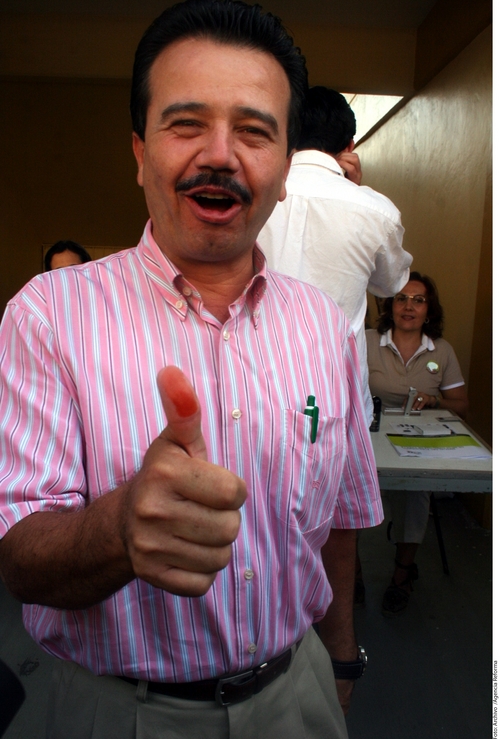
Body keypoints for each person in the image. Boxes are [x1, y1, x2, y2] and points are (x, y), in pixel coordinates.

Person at [0, 2, 382, 737]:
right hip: (114, 712)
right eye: (186, 124)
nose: (220, 155)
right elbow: (18, 555)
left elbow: (339, 521)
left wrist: (341, 659)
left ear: (283, 169)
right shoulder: (46, 315)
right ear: (139, 152)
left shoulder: (322, 325)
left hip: (296, 692)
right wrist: (119, 527)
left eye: (254, 131)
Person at [258, 85, 412, 425]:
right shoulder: (376, 211)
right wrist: (355, 191)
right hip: (337, 394)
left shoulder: (253, 196)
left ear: (288, 134)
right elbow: (389, 285)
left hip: (256, 389)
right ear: (349, 146)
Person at [365, 271, 469, 615]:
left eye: (418, 300)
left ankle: (402, 572)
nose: (409, 306)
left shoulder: (442, 350)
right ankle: (351, 573)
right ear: (390, 306)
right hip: (369, 434)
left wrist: (435, 400)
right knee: (343, 483)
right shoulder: (367, 341)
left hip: (417, 440)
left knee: (416, 488)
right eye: (401, 298)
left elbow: (461, 405)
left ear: (429, 310)